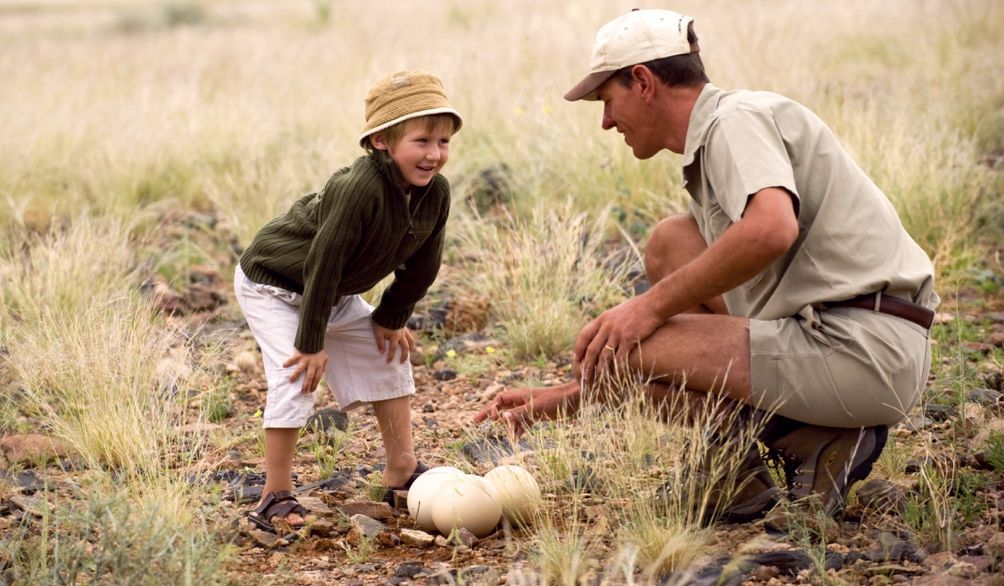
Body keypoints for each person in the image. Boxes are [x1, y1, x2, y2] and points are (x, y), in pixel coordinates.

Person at [476, 9, 938, 527]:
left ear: (643, 82)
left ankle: (808, 440)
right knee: (671, 243)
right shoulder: (722, 131)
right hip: (845, 338)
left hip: (864, 350)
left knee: (624, 345)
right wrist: (567, 397)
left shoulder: (733, 122)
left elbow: (771, 228)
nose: (606, 121)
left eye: (607, 101)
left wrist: (647, 309)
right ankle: (762, 467)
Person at [235, 70, 461, 533]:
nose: (434, 154)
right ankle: (274, 493)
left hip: (331, 291)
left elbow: (423, 266)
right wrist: (312, 341)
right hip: (274, 284)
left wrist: (390, 317)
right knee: (296, 373)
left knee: (388, 356)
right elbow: (324, 261)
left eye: (443, 141)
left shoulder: (435, 194)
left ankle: (402, 470)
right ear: (381, 140)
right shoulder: (358, 187)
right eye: (421, 141)